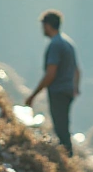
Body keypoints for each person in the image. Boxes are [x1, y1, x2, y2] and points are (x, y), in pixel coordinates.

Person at [26, 10, 80, 156]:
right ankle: (68, 159)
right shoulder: (68, 43)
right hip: (67, 91)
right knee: (64, 126)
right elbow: (77, 70)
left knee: (61, 129)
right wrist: (75, 88)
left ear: (48, 25)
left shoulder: (55, 45)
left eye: (43, 26)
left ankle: (68, 160)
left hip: (58, 92)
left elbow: (50, 74)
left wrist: (33, 95)